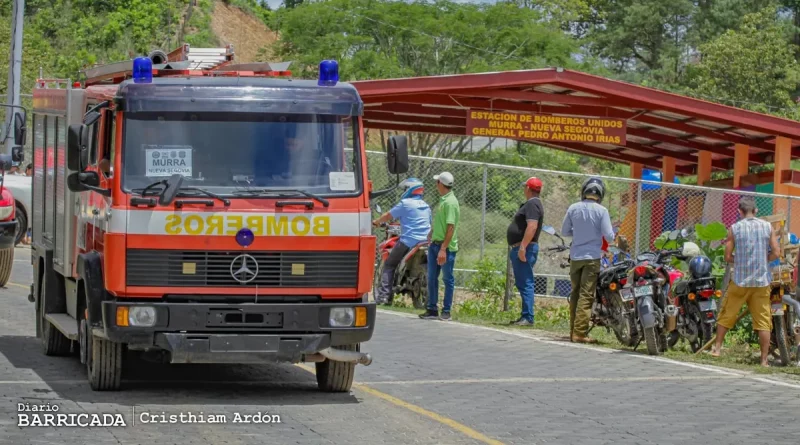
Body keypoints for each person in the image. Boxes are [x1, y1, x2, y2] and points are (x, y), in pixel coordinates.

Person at [712, 196, 779, 367]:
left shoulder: (734, 229)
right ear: (756, 211)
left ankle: (717, 349)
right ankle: (764, 360)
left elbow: (727, 256)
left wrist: (740, 260)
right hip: (761, 282)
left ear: (739, 211)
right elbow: (776, 253)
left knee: (727, 314)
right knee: (763, 320)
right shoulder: (767, 226)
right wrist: (764, 260)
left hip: (740, 281)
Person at [561, 177, 614, 343]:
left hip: (575, 256)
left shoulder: (573, 208)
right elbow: (609, 236)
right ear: (600, 194)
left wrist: (579, 233)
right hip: (592, 258)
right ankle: (580, 333)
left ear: (584, 191)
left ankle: (572, 331)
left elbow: (565, 231)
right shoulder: (602, 211)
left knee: (575, 294)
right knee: (586, 295)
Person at [372, 178, 432, 305]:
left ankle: (384, 297)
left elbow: (388, 215)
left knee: (389, 264)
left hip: (409, 241)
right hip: (425, 241)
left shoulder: (405, 203)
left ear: (408, 189)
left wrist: (377, 222)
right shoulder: (426, 206)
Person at [420, 172, 460, 320]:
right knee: (431, 277)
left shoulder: (450, 202)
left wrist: (443, 248)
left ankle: (446, 310)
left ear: (441, 184)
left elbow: (451, 227)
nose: (436, 185)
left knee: (447, 279)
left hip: (445, 248)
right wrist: (432, 232)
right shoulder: (444, 200)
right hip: (435, 245)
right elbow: (443, 224)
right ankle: (432, 309)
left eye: (437, 182)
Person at [506, 177, 544, 326]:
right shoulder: (533, 204)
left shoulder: (533, 204)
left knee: (526, 281)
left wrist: (522, 247)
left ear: (528, 189)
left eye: (525, 187)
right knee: (522, 282)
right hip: (524, 247)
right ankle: (525, 315)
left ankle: (528, 317)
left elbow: (532, 226)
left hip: (525, 248)